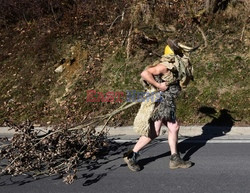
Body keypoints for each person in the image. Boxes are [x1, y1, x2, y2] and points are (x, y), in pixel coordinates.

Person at [123, 39, 194, 172]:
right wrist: (158, 85)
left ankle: (175, 159)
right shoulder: (163, 66)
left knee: (174, 126)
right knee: (154, 132)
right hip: (159, 102)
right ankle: (131, 155)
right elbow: (145, 73)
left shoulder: (174, 67)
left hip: (167, 103)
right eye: (179, 53)